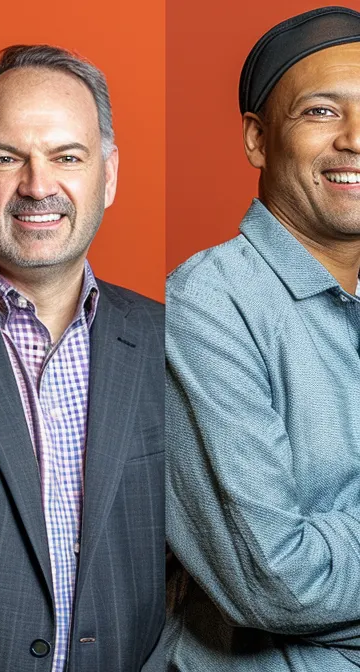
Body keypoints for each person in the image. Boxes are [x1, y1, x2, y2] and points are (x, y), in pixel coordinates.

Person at [0, 45, 165, 671]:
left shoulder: (170, 340)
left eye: (67, 157)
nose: (38, 186)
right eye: (7, 158)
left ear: (110, 174)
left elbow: (198, 569)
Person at [165, 6, 360, 669]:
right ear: (256, 138)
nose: (355, 139)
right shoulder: (205, 306)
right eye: (321, 112)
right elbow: (276, 582)